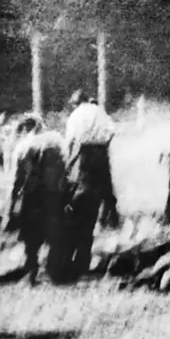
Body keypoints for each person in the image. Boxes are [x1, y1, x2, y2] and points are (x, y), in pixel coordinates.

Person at [59, 89, 119, 281]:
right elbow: (112, 131)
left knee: (83, 195)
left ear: (76, 102)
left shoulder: (75, 115)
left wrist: (68, 163)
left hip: (86, 155)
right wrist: (104, 147)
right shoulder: (99, 111)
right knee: (102, 192)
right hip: (101, 153)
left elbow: (70, 142)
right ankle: (110, 219)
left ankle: (72, 260)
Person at [2, 129, 67, 285]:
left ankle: (31, 273)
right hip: (51, 195)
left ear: (25, 130)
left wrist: (10, 209)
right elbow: (64, 173)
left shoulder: (23, 146)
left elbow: (16, 180)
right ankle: (53, 273)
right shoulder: (55, 143)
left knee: (31, 237)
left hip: (30, 195)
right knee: (54, 235)